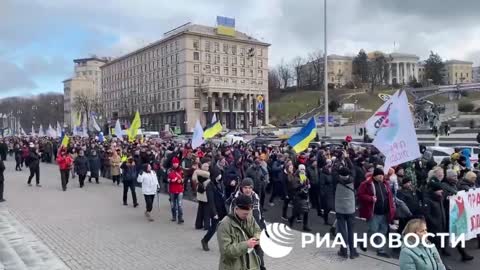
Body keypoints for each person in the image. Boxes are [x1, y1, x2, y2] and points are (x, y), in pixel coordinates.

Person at [217, 194, 262, 270]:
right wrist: (246, 244)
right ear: (236, 209)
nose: (247, 216)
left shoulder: (249, 217)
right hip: (233, 267)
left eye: (249, 213)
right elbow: (226, 251)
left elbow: (257, 230)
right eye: (245, 214)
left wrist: (257, 238)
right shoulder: (224, 224)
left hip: (251, 265)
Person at [358, 167, 395, 257]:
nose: (381, 177)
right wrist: (370, 198)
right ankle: (364, 241)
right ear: (374, 176)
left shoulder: (385, 184)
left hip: (384, 212)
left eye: (382, 175)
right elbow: (360, 194)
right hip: (374, 212)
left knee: (383, 231)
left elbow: (389, 197)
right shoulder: (367, 184)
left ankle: (380, 250)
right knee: (373, 230)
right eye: (379, 175)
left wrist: (391, 209)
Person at [334, 167, 358, 259]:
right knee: (351, 231)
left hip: (340, 209)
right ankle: (353, 252)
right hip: (350, 209)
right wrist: (347, 158)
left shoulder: (337, 180)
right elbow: (353, 170)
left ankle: (344, 251)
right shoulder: (352, 180)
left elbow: (334, 171)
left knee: (342, 230)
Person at [201, 167, 227, 251]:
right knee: (213, 228)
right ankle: (205, 240)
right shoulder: (210, 186)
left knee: (225, 227)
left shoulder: (220, 183)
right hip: (215, 210)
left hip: (223, 209)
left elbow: (224, 194)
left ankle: (226, 244)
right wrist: (214, 213)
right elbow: (211, 201)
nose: (219, 176)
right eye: (218, 175)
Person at [288, 164, 311, 232]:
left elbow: (306, 183)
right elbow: (294, 186)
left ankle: (305, 226)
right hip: (298, 196)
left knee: (306, 211)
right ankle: (291, 220)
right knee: (297, 211)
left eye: (303, 169)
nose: (302, 171)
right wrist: (300, 184)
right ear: (298, 169)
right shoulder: (295, 177)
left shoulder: (304, 176)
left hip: (305, 195)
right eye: (301, 169)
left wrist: (308, 185)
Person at [193, 163, 211, 230]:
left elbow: (194, 179)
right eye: (207, 166)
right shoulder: (207, 174)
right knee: (206, 211)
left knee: (200, 210)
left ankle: (198, 224)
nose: (208, 168)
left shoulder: (197, 173)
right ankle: (206, 225)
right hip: (205, 194)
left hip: (200, 193)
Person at [168, 157, 184, 224]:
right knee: (173, 204)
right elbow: (167, 179)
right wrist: (172, 180)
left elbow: (183, 179)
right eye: (174, 163)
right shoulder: (170, 170)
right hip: (172, 189)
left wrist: (180, 180)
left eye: (176, 163)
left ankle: (180, 218)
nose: (175, 164)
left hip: (179, 189)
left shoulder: (181, 170)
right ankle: (174, 216)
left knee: (179, 204)